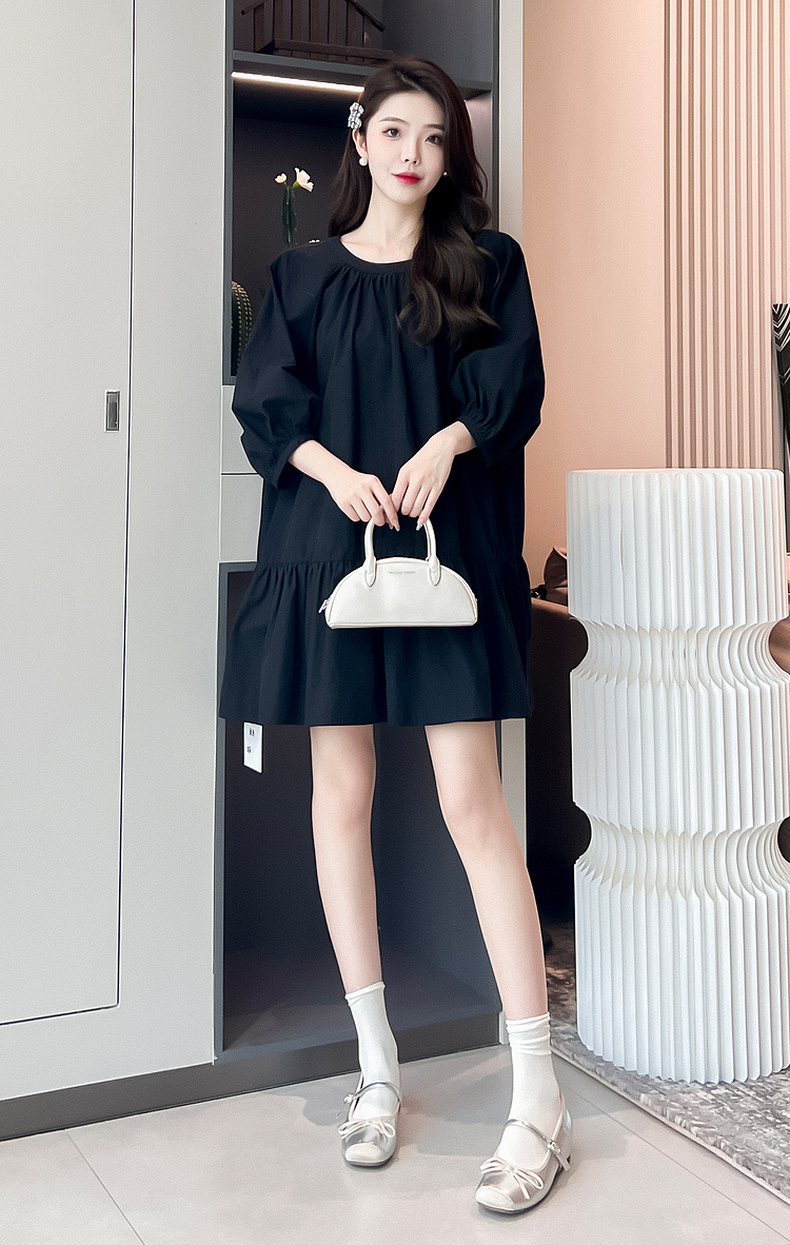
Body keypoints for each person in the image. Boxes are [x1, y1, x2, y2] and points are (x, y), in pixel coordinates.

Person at [219, 55, 572, 1214]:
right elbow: (269, 407)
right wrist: (333, 471)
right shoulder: (303, 274)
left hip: (444, 562)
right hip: (331, 558)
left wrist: (445, 444)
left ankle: (537, 1097)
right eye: (395, 132)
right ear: (360, 137)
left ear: (447, 155)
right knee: (342, 796)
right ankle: (377, 1072)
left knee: (474, 803)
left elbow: (510, 392)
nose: (414, 154)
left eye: (435, 138)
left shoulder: (485, 263)